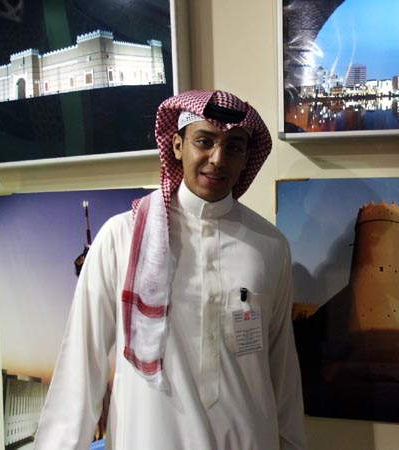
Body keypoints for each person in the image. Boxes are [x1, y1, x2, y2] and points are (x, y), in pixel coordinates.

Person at [34, 90, 307, 450]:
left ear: (246, 158)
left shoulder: (269, 245)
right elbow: (81, 365)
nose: (218, 158)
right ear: (178, 145)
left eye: (235, 146)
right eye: (205, 141)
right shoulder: (122, 237)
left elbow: (281, 368)